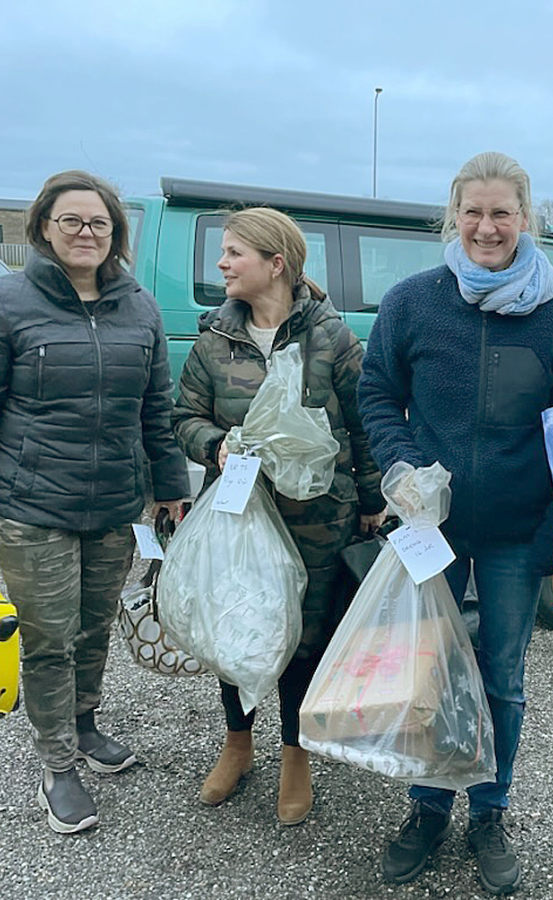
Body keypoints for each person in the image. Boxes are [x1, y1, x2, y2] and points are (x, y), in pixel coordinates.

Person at [359, 151, 553, 895]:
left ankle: (489, 809)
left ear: (527, 220)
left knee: (503, 677)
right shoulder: (412, 303)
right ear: (452, 217)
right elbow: (375, 393)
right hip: (434, 532)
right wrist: (398, 467)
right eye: (474, 212)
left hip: (516, 535)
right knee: (427, 668)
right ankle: (427, 807)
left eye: (502, 213)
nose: (487, 227)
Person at [0, 170, 189, 834]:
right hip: (28, 505)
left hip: (112, 506)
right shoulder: (2, 301)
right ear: (44, 227)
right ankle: (58, 765)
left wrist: (170, 489)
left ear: (115, 234)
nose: (86, 233)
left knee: (93, 626)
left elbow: (155, 411)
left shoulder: (140, 306)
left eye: (99, 223)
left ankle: (83, 722)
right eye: (72, 221)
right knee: (50, 636)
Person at [171, 206, 384, 826]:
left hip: (317, 518)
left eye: (234, 252)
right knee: (236, 623)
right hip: (239, 516)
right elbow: (181, 415)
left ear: (276, 264)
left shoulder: (332, 338)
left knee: (301, 635)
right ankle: (239, 742)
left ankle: (295, 751)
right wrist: (215, 445)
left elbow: (366, 422)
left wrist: (371, 501)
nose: (222, 264)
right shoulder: (215, 339)